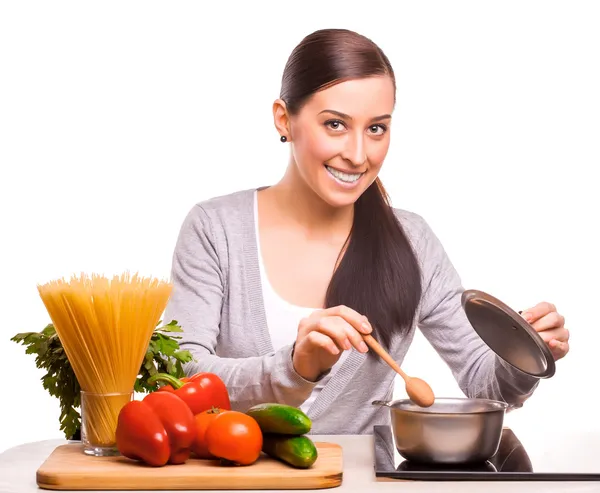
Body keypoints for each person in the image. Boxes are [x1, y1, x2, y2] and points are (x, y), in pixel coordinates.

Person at [162, 28, 570, 435]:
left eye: (376, 128)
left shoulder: (411, 241)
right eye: (335, 124)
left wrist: (523, 353)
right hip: (239, 478)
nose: (359, 155)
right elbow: (181, 374)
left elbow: (484, 382)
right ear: (284, 118)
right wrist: (293, 368)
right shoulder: (216, 229)